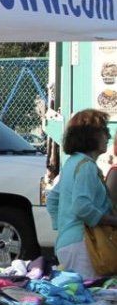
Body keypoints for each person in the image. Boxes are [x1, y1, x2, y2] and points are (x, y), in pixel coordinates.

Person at [47, 108, 117, 277]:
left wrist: (65, 226)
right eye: (104, 131)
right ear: (90, 135)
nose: (108, 136)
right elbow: (82, 206)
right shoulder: (86, 166)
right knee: (94, 298)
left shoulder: (72, 163)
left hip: (67, 243)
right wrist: (112, 221)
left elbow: (52, 200)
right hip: (84, 245)